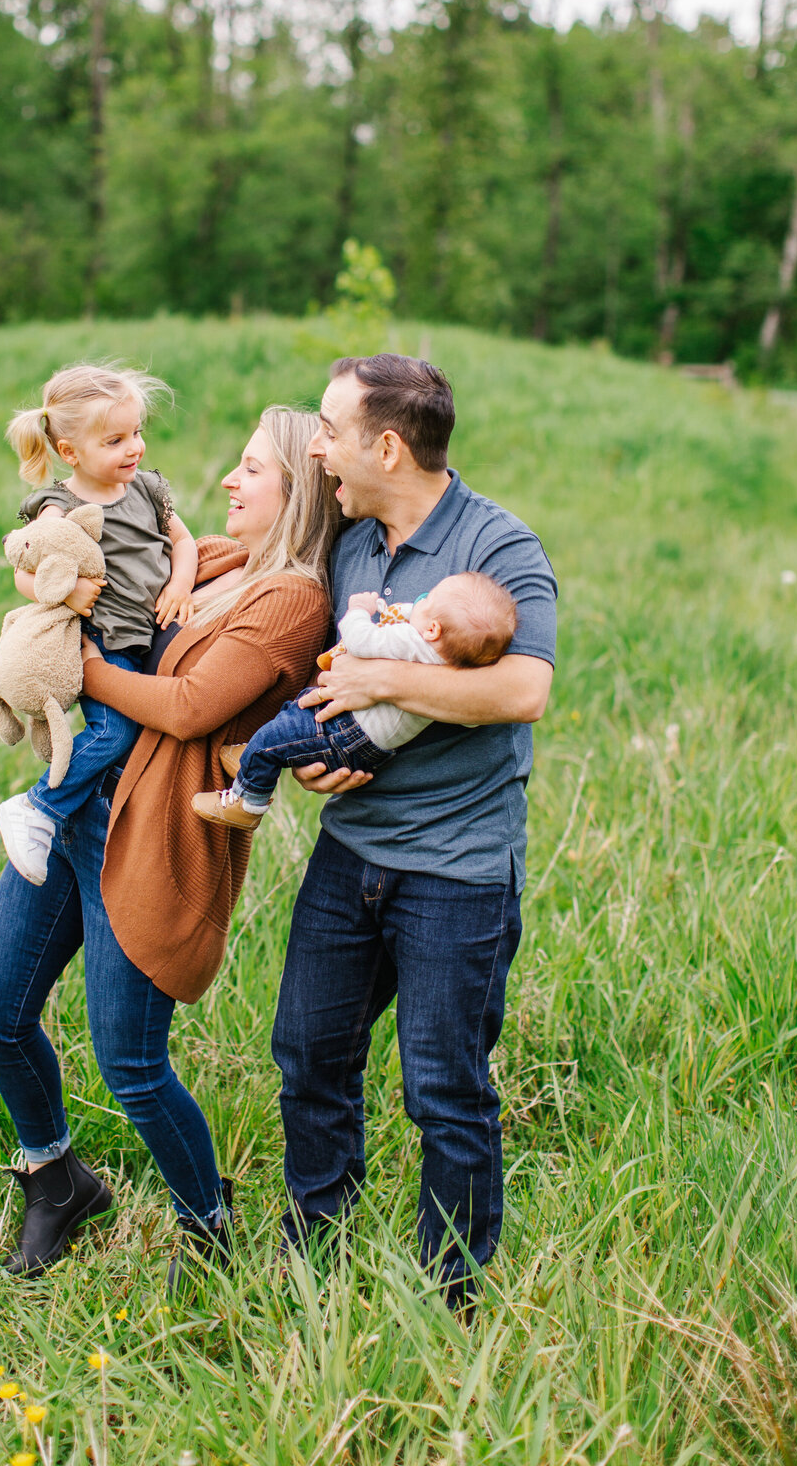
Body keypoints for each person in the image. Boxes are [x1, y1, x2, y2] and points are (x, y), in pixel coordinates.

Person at [0, 406, 336, 1287]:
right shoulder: (219, 558)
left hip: (155, 835)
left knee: (132, 1065)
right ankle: (56, 1180)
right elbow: (96, 575)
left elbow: (189, 708)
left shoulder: (293, 598)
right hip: (81, 808)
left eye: (251, 470)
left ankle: (205, 1221)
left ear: (299, 488)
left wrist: (72, 670)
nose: (229, 482)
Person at [271, 353, 557, 1306]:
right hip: (351, 849)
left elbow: (524, 689)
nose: (318, 447)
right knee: (311, 1057)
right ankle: (316, 1251)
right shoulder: (353, 539)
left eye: (329, 427)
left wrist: (383, 681)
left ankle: (452, 1296)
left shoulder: (499, 544)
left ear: (386, 445)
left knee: (444, 1090)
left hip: (457, 871)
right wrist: (323, 755)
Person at [0, 362, 200, 887]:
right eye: (115, 440)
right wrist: (69, 589)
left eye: (136, 433)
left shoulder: (148, 491)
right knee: (116, 732)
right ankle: (40, 807)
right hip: (102, 642)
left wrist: (178, 585)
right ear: (71, 453)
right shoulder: (60, 505)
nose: (135, 448)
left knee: (138, 739)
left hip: (149, 636)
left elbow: (184, 541)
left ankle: (86, 815)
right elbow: (25, 569)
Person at [191, 573, 518, 830]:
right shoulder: (448, 661)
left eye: (427, 599)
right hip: (366, 740)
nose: (419, 600)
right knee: (296, 714)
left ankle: (248, 801)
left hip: (348, 730)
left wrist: (359, 610)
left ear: (433, 629)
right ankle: (256, 758)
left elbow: (362, 640)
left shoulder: (413, 642)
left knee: (276, 736)